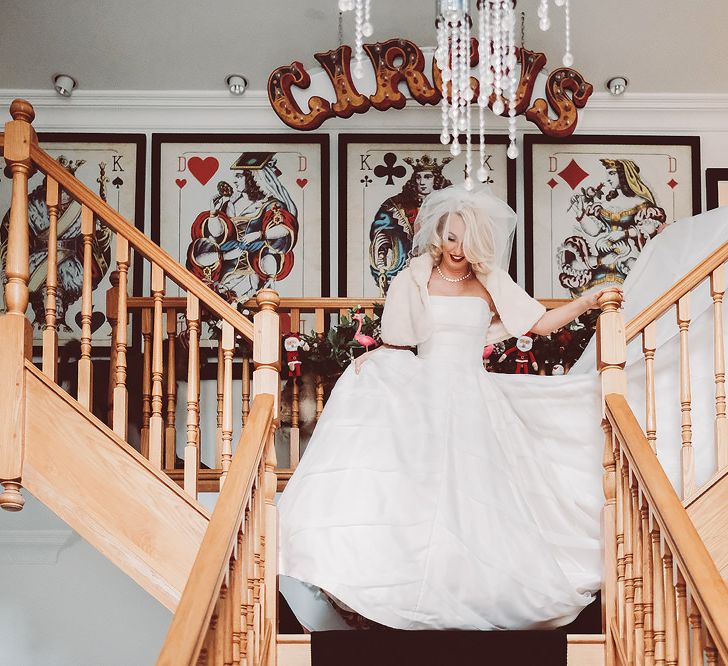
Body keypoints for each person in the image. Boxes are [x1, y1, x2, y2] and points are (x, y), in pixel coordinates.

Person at [278, 184, 615, 631]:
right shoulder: (415, 277)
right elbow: (399, 340)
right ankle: (406, 592)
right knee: (414, 494)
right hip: (424, 391)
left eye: (465, 238)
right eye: (451, 237)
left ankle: (469, 594)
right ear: (439, 235)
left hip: (474, 398)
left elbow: (540, 323)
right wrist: (373, 358)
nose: (457, 248)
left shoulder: (490, 282)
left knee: (476, 497)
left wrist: (586, 301)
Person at [368, 155, 452, 296]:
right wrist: (382, 266)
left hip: (442, 275)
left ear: (436, 179)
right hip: (404, 272)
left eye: (427, 177)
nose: (422, 182)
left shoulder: (450, 206)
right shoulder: (395, 205)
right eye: (419, 177)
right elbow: (380, 233)